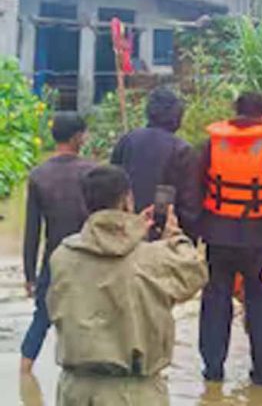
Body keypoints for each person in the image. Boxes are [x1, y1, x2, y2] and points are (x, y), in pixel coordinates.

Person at [46, 165, 207, 405]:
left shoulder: (62, 256)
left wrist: (132, 229)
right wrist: (174, 235)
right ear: (128, 201)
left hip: (75, 390)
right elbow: (195, 272)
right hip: (136, 391)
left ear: (86, 205)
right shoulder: (154, 258)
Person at [198, 92, 262, 385]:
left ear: (234, 112)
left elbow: (197, 186)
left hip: (218, 236)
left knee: (216, 302)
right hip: (258, 239)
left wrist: (199, 227)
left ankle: (213, 371)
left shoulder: (212, 145)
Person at [20, 115, 96, 374]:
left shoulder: (39, 175)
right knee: (88, 321)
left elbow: (32, 231)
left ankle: (25, 376)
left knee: (41, 319)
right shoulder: (92, 172)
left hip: (53, 259)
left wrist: (30, 274)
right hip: (88, 258)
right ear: (78, 137)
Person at [111, 87, 202, 238]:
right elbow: (190, 202)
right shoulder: (181, 150)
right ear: (177, 117)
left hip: (126, 230)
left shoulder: (128, 141)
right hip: (164, 234)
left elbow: (111, 183)